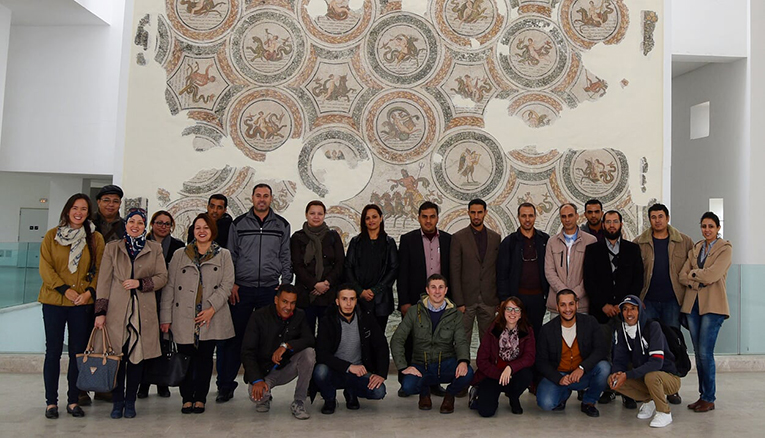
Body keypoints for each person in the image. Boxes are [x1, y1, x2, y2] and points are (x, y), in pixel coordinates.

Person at [218, 183, 292, 403]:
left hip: (270, 290)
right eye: (258, 195)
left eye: (266, 196)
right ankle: (225, 385)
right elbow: (230, 256)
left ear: (271, 199)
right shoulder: (239, 224)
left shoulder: (282, 225)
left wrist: (285, 285)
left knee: (266, 341)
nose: (262, 199)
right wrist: (231, 284)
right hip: (242, 290)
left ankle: (262, 388)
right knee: (233, 339)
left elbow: (285, 256)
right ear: (252, 198)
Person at [94, 208, 168, 419]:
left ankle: (130, 401)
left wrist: (140, 283)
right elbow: (104, 281)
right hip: (117, 312)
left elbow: (163, 277)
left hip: (143, 312)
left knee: (137, 359)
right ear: (125, 224)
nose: (135, 226)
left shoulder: (154, 248)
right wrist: (100, 312)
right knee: (118, 358)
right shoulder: (113, 248)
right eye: (131, 221)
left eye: (140, 222)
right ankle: (117, 402)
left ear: (145, 226)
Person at [160, 213, 235, 414]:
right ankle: (186, 398)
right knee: (185, 357)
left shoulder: (224, 254)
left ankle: (200, 398)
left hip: (211, 315)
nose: (201, 231)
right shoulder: (180, 254)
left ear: (213, 231)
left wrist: (211, 308)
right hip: (183, 315)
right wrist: (165, 317)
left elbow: (227, 285)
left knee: (204, 359)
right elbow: (169, 287)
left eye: (206, 228)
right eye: (198, 227)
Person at [39, 194, 105, 419]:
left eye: (84, 209)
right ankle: (51, 402)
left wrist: (89, 292)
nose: (79, 212)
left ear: (89, 213)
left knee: (78, 353)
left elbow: (100, 270)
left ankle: (74, 400)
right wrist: (63, 289)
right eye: (75, 208)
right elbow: (46, 268)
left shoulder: (95, 238)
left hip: (81, 304)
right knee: (53, 352)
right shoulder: (52, 236)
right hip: (54, 301)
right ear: (67, 210)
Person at [583, 210, 643, 406]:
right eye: (607, 222)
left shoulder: (632, 250)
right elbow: (589, 281)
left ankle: (628, 392)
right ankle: (607, 389)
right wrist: (604, 305)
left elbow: (638, 280)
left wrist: (624, 305)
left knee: (628, 350)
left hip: (627, 312)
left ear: (621, 224)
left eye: (615, 221)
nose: (611, 225)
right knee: (604, 350)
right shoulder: (593, 250)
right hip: (601, 312)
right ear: (603, 225)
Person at [634, 203, 692, 405]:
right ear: (649, 220)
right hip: (647, 302)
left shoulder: (684, 242)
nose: (657, 220)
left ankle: (671, 387)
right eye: (653, 217)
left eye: (660, 216)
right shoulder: (639, 243)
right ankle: (649, 387)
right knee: (648, 343)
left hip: (672, 302)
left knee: (672, 344)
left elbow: (691, 269)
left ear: (667, 218)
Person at [391, 274, 474, 414]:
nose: (437, 291)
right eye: (433, 287)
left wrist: (463, 361)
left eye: (441, 287)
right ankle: (424, 393)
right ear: (427, 290)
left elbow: (461, 341)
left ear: (446, 290)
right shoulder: (413, 312)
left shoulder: (456, 314)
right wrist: (403, 367)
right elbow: (397, 339)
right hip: (420, 363)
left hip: (446, 362)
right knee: (408, 386)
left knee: (468, 374)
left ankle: (450, 395)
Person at [397, 200, 452, 397]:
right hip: (414, 300)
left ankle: (433, 383)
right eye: (424, 217)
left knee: (437, 343)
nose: (428, 221)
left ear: (438, 217)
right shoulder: (407, 239)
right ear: (418, 218)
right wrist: (404, 301)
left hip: (439, 300)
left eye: (432, 216)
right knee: (411, 342)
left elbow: (451, 272)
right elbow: (402, 273)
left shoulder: (447, 240)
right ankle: (407, 382)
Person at [679, 212, 732, 413]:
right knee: (698, 354)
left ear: (718, 228)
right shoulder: (697, 248)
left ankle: (709, 397)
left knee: (705, 353)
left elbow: (713, 275)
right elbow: (681, 276)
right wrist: (697, 277)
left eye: (711, 226)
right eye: (703, 226)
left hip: (713, 306)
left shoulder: (725, 249)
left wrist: (694, 274)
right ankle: (703, 396)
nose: (707, 229)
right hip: (692, 306)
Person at [241, 285, 316, 420]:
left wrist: (286, 346)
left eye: (292, 303)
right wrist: (257, 380)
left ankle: (299, 402)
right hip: (263, 372)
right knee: (258, 397)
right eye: (285, 301)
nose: (288, 307)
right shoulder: (259, 316)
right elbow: (247, 351)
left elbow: (310, 339)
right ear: (276, 300)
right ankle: (265, 398)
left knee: (309, 353)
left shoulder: (299, 315)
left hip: (286, 367)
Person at [312, 285, 389, 414]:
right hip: (334, 370)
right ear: (337, 301)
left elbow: (381, 345)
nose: (348, 303)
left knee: (379, 391)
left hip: (359, 371)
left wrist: (381, 373)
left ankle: (351, 393)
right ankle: (330, 399)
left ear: (356, 301)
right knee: (320, 372)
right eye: (344, 299)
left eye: (352, 299)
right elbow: (322, 354)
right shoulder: (327, 321)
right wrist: (349, 366)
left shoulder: (366, 318)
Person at [608, 295, 681, 428]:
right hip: (645, 378)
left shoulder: (653, 327)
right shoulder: (622, 331)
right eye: (625, 309)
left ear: (640, 310)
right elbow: (619, 360)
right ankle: (650, 400)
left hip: (669, 378)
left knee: (652, 376)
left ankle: (664, 412)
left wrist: (628, 375)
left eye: (633, 308)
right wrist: (616, 373)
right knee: (613, 380)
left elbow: (656, 363)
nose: (629, 313)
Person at [535, 289, 609, 417]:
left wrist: (582, 367)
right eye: (563, 305)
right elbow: (541, 362)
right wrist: (559, 378)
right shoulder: (547, 330)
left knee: (604, 368)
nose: (567, 309)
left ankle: (589, 402)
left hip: (582, 374)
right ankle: (563, 394)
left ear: (577, 305)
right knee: (546, 404)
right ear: (557, 307)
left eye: (571, 304)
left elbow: (601, 349)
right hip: (559, 374)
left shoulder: (590, 322)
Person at [138, 210, 185, 399]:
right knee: (144, 343)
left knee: (163, 343)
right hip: (145, 297)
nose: (163, 226)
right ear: (152, 224)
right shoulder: (141, 244)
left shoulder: (178, 246)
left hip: (167, 298)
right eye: (159, 222)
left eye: (167, 223)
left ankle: (162, 382)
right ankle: (143, 383)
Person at [470, 297, 535, 417]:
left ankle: (513, 397)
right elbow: (481, 360)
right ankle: (477, 391)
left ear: (521, 314)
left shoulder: (527, 330)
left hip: (513, 373)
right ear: (503, 311)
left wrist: (511, 368)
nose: (512, 313)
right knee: (486, 412)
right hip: (493, 374)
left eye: (516, 310)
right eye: (509, 309)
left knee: (527, 374)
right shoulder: (493, 329)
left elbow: (529, 357)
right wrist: (499, 374)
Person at [450, 198, 500, 348]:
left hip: (489, 299)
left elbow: (497, 269)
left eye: (479, 212)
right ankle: (462, 370)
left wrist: (497, 299)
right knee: (462, 338)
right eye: (473, 213)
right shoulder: (458, 238)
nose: (476, 216)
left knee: (489, 340)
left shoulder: (495, 238)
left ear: (485, 213)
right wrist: (459, 302)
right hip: (466, 300)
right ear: (468, 213)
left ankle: (485, 370)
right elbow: (454, 271)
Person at [497, 202, 549, 339]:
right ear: (518, 217)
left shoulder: (544, 240)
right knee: (517, 333)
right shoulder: (509, 242)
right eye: (524, 216)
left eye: (530, 215)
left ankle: (535, 360)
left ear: (535, 217)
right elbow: (502, 273)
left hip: (539, 298)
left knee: (536, 333)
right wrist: (504, 298)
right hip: (517, 298)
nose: (527, 219)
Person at [291, 200, 345, 333]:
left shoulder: (333, 236)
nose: (316, 216)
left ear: (325, 215)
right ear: (306, 215)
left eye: (320, 213)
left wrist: (326, 283)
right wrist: (315, 284)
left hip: (328, 294)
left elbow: (340, 263)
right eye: (312, 213)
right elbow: (297, 266)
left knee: (327, 335)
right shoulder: (297, 237)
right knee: (305, 335)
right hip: (305, 295)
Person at [344, 204, 399, 331]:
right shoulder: (355, 242)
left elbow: (394, 269)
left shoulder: (389, 242)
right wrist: (360, 291)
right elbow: (348, 267)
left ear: (381, 218)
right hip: (359, 298)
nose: (371, 221)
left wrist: (375, 290)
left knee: (378, 339)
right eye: (367, 218)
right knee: (359, 338)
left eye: (374, 217)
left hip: (381, 299)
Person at [544, 203, 597, 314]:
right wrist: (564, 293)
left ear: (577, 216)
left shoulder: (590, 241)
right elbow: (549, 271)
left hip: (581, 304)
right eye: (564, 216)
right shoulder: (552, 242)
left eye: (570, 215)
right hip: (557, 305)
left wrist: (575, 294)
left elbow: (592, 274)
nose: (567, 219)